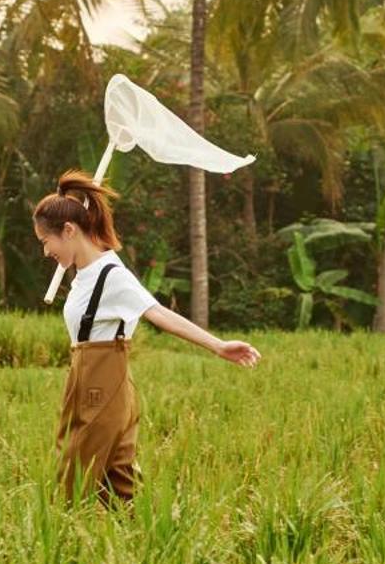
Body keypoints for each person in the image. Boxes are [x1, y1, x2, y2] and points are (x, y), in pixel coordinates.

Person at [33, 170, 259, 503]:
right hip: (89, 380)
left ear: (69, 231)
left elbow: (159, 314)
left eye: (45, 242)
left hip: (101, 384)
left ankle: (63, 547)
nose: (45, 251)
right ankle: (154, 542)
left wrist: (218, 345)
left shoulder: (112, 275)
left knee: (74, 480)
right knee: (121, 486)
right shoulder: (83, 274)